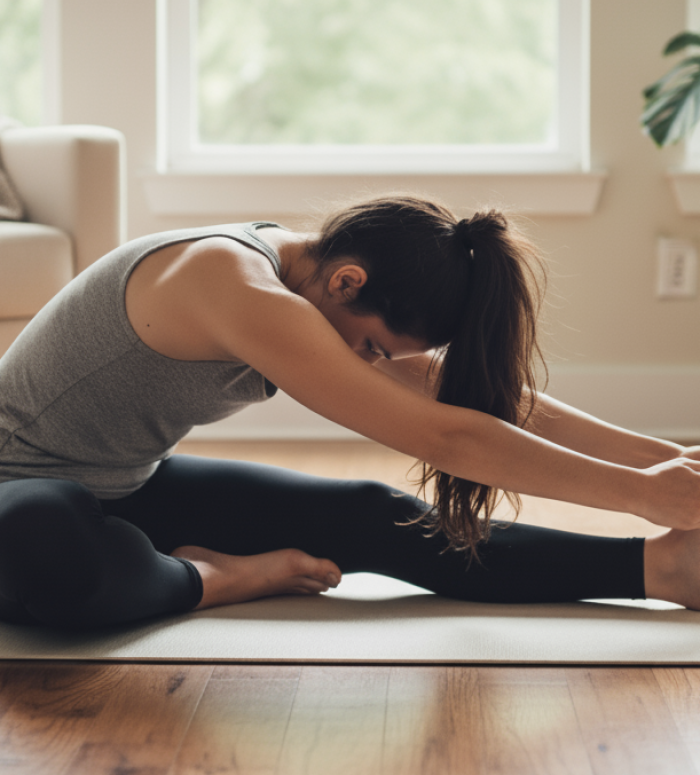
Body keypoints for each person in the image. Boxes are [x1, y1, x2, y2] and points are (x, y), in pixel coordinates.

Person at [0, 195, 699, 630]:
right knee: (52, 544)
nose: (370, 363)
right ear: (347, 281)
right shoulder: (231, 283)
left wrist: (664, 462)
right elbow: (447, 436)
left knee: (373, 513)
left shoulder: (305, 277)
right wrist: (638, 494)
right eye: (371, 348)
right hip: (20, 494)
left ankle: (663, 570)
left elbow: (473, 398)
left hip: (126, 485)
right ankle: (219, 579)